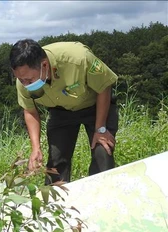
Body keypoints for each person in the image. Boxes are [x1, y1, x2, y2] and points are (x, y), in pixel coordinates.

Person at [9, 39, 118, 184]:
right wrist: (36, 148)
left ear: (44, 65)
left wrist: (101, 128)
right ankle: (55, 204)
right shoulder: (23, 80)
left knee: (102, 152)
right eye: (20, 80)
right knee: (56, 162)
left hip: (95, 106)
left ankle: (101, 194)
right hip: (61, 112)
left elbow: (104, 87)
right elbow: (30, 111)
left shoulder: (79, 58)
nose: (25, 84)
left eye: (29, 80)